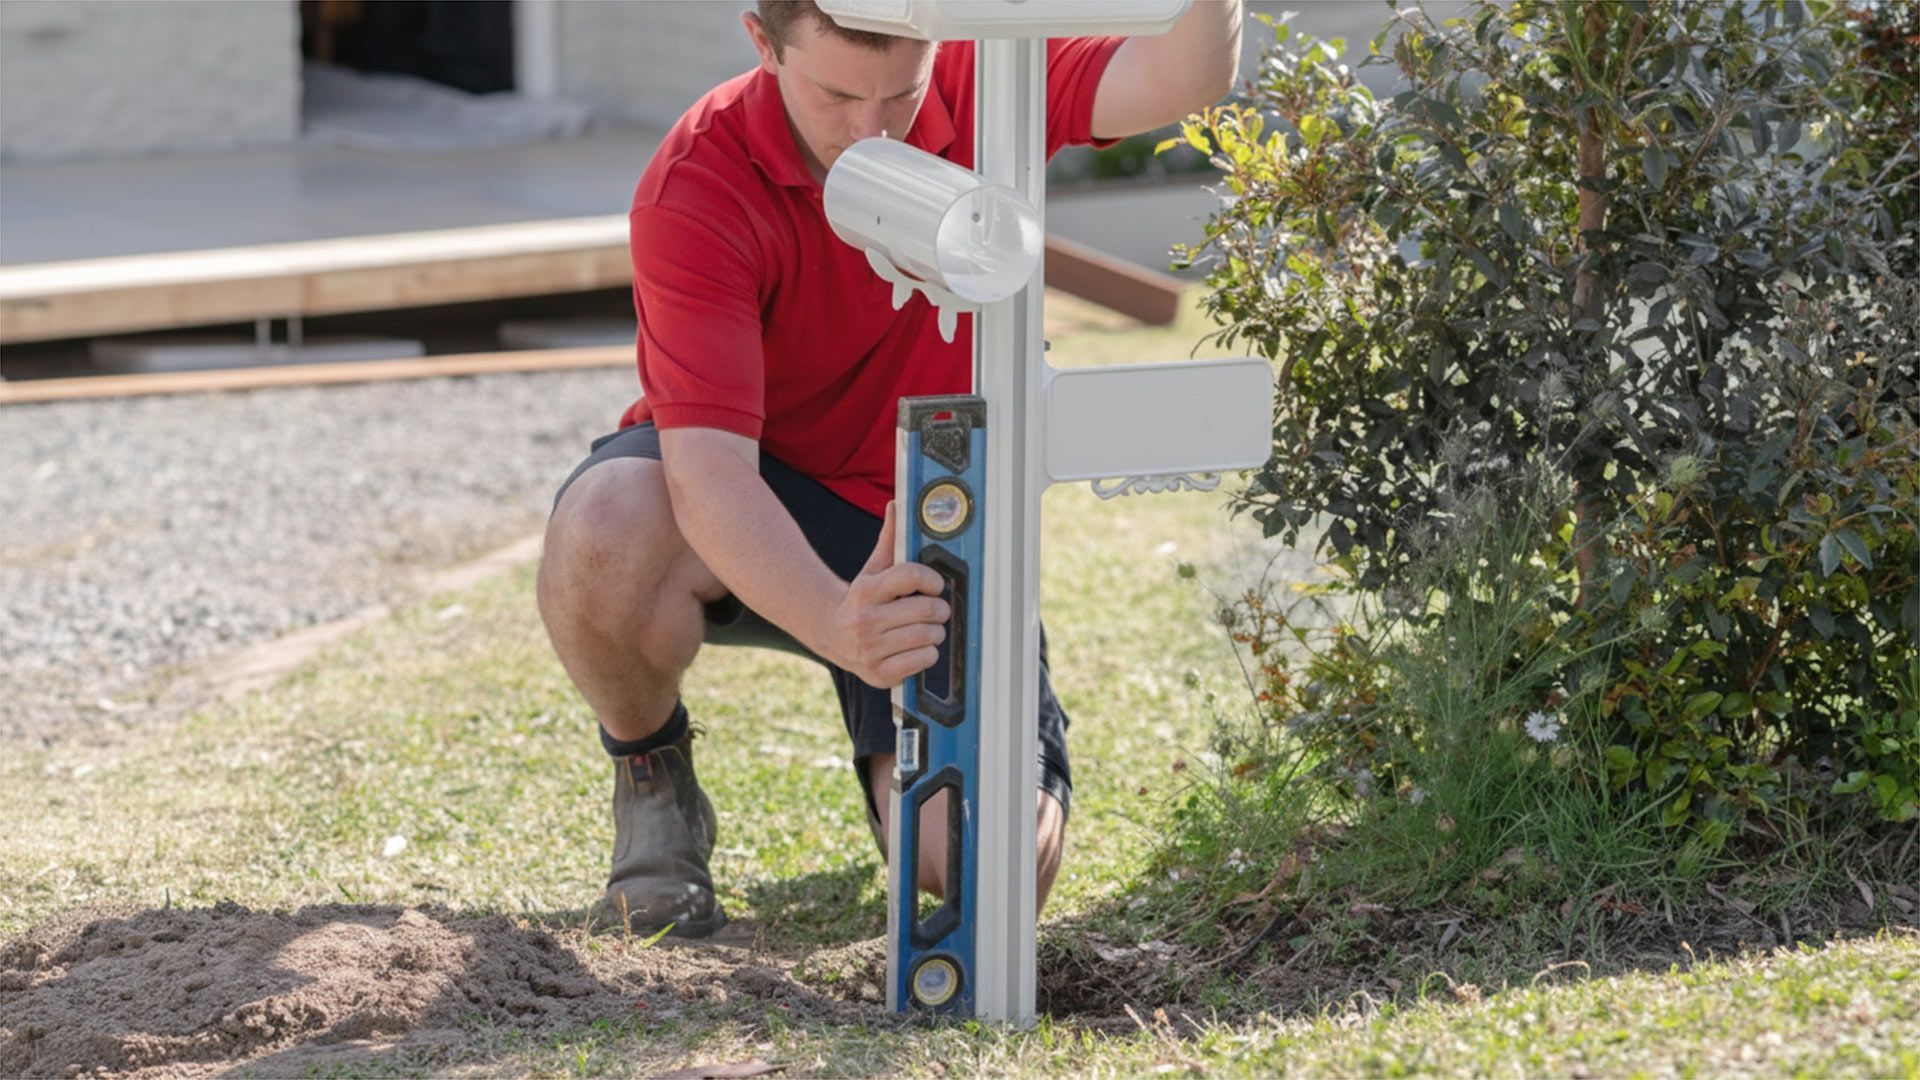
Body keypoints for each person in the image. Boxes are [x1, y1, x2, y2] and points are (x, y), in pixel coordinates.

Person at [538, 0, 1242, 938]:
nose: (871, 131)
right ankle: (652, 779)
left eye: (900, 94)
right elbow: (709, 477)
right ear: (762, 41)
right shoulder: (700, 180)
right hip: (758, 500)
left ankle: (923, 791)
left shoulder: (992, 83)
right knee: (607, 524)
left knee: (988, 874)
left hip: (929, 517)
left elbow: (1180, 78)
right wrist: (839, 622)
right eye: (835, 93)